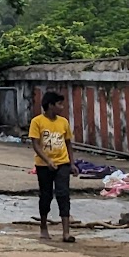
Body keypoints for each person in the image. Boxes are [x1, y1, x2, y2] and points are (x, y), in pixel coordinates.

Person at [29, 90, 78, 242]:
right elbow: (36, 145)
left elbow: (68, 143)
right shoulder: (37, 121)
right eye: (59, 104)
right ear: (50, 105)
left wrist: (71, 163)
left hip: (62, 163)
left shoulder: (63, 122)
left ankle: (66, 232)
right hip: (44, 165)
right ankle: (44, 227)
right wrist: (47, 160)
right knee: (46, 195)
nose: (62, 107)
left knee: (63, 195)